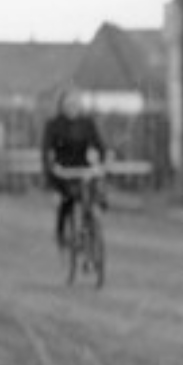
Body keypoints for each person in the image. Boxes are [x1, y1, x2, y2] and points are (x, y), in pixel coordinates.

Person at [41, 88, 107, 246]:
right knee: (67, 200)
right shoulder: (54, 125)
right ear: (62, 105)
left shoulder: (87, 124)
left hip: (83, 166)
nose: (72, 107)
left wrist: (101, 161)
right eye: (69, 104)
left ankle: (92, 223)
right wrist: (50, 168)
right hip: (63, 169)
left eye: (75, 103)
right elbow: (46, 150)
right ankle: (62, 233)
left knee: (93, 191)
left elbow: (99, 145)